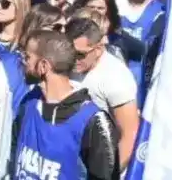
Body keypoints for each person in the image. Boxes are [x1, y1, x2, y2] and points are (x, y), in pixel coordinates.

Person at [9, 29, 118, 180]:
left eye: (27, 57)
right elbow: (13, 154)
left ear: (43, 66)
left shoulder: (93, 121)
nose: (22, 62)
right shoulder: (29, 103)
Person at [64, 16, 139, 168]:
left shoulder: (115, 77)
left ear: (98, 49)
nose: (74, 60)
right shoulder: (69, 63)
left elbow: (130, 134)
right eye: (70, 52)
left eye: (80, 55)